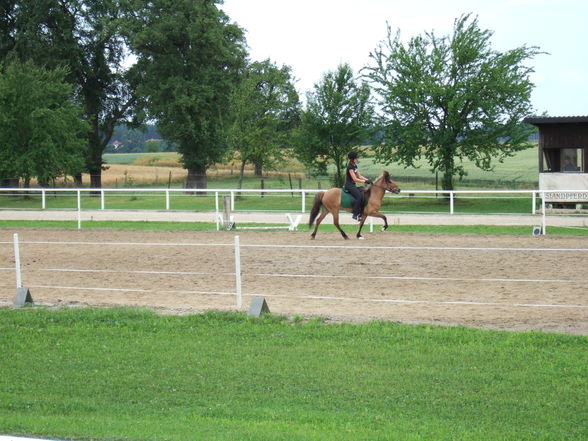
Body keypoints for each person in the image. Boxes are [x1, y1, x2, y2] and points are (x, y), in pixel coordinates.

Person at [344, 151, 371, 221]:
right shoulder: (350, 167)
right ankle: (355, 215)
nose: (357, 159)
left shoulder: (355, 166)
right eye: (356, 158)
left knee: (363, 191)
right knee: (358, 196)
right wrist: (365, 181)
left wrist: (368, 180)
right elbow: (355, 179)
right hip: (349, 185)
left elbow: (359, 176)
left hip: (353, 185)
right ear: (353, 159)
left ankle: (361, 211)